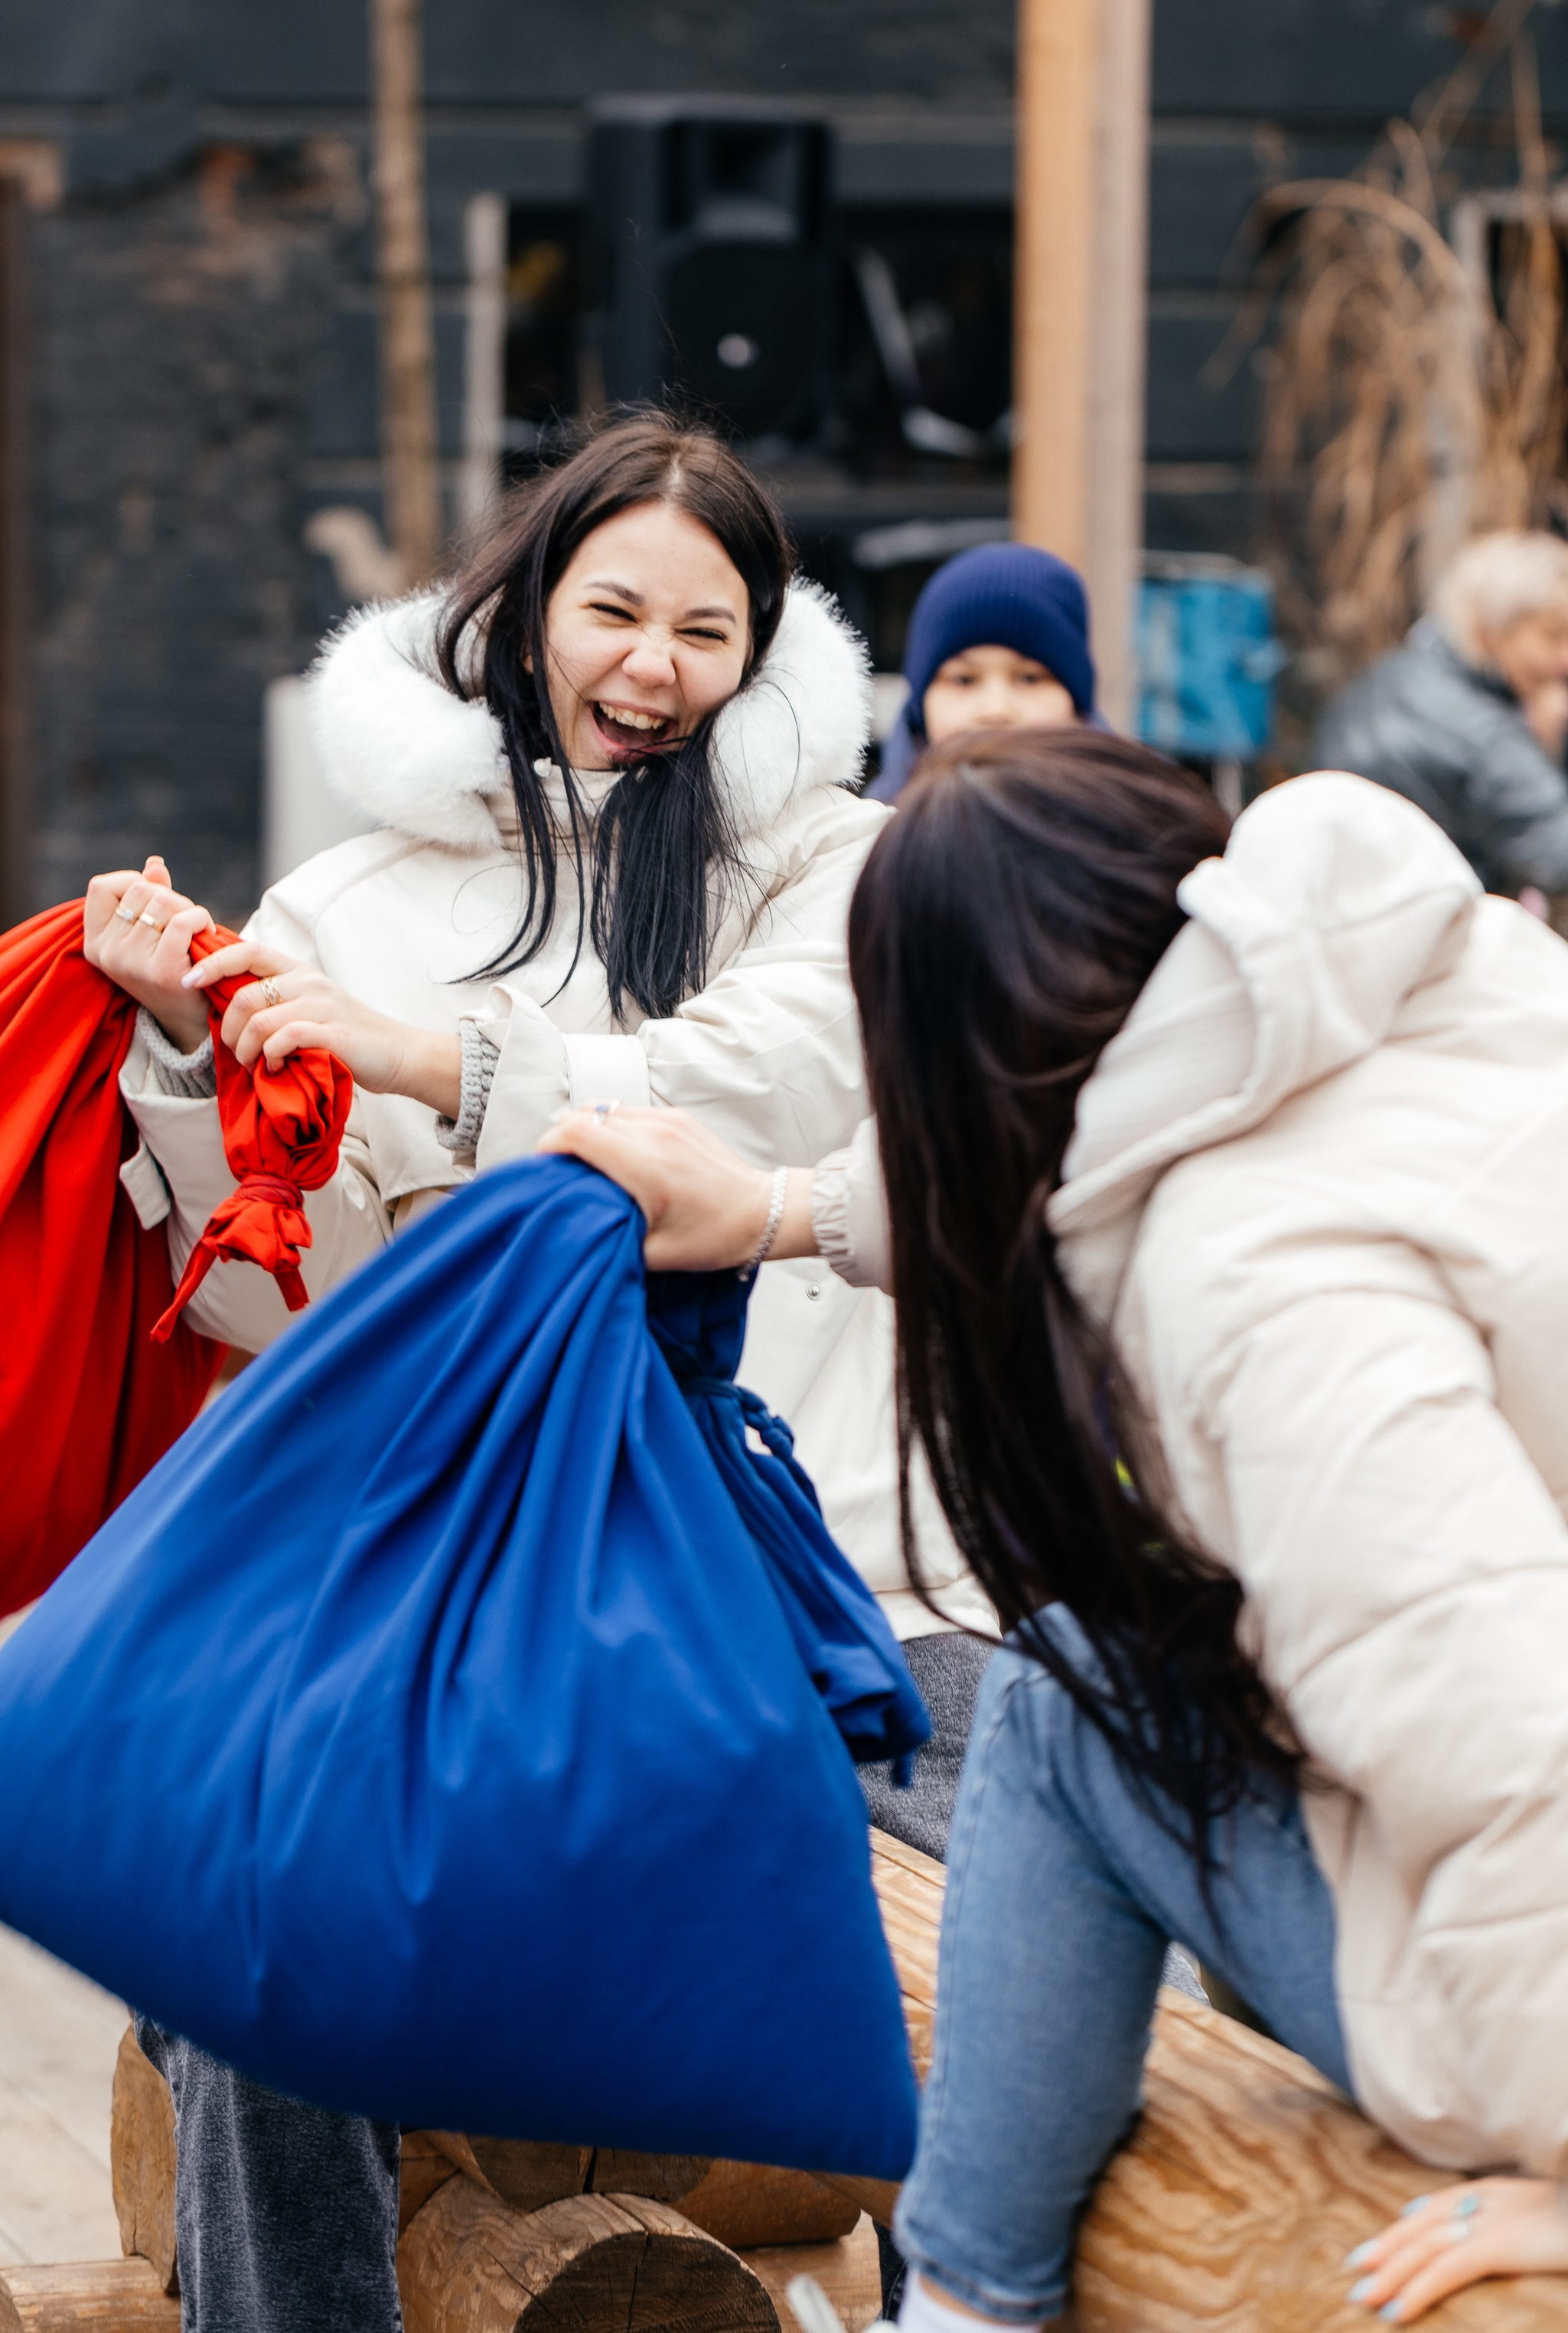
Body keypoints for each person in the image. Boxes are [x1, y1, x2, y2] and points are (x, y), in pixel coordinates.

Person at [83, 413, 995, 2333]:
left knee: (1048, 1903)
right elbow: (279, 1311)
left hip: (823, 1563)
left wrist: (424, 1063)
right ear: (517, 615)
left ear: (765, 657)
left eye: (705, 629)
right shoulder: (346, 898)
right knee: (245, 1909)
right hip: (461, 1589)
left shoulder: (830, 866)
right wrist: (191, 1050)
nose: (651, 668)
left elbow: (758, 1087)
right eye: (610, 611)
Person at [549, 726, 1568, 2331]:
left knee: (1055, 1703)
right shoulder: (1422, 985)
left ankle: (960, 2301)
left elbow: (1505, 1726)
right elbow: (1086, 1143)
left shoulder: (1253, 1291)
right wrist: (771, 1209)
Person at [1316, 527, 1568, 899]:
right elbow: (1558, 856)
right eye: (1552, 636)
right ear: (1491, 632)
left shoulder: (1402, 671)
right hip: (1419, 924)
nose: (1565, 657)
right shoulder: (1483, 735)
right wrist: (1553, 744)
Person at [869, 540, 1094, 801]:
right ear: (920, 705)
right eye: (964, 680)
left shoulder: (1142, 833)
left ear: (1076, 703)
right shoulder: (869, 838)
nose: (995, 711)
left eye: (1029, 678)